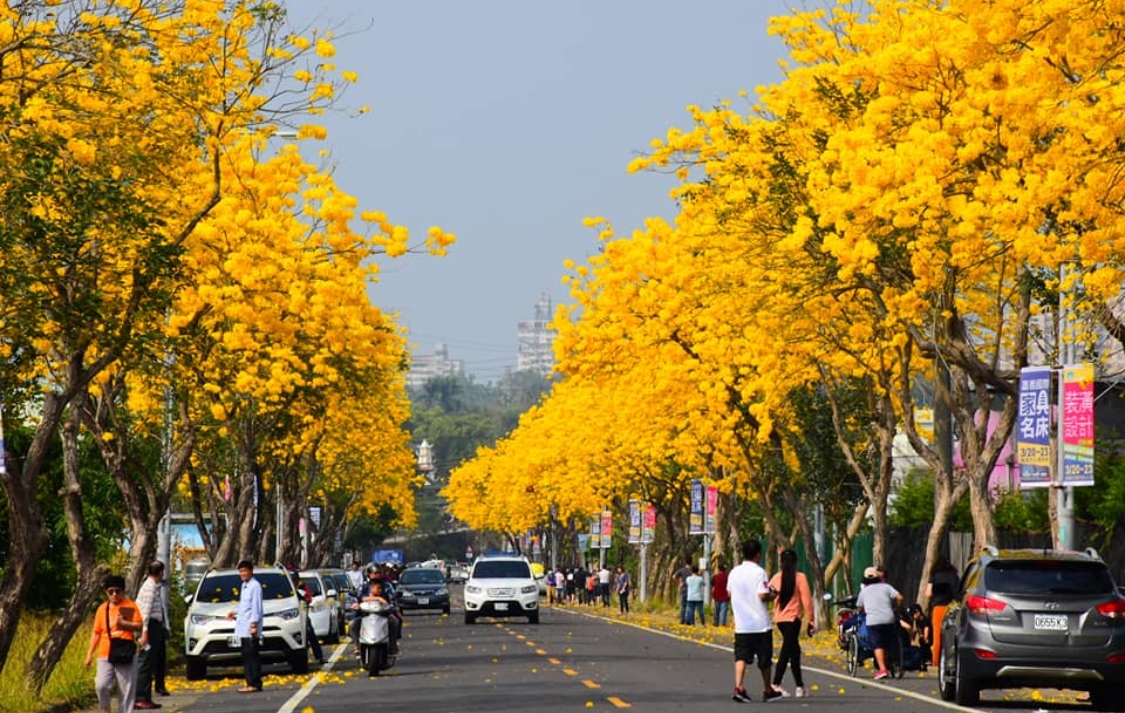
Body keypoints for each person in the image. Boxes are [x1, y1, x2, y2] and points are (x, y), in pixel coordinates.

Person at [728, 540, 782, 703]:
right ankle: (767, 689)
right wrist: (774, 594)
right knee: (764, 659)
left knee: (741, 656)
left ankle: (739, 686)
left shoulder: (734, 572)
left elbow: (729, 593)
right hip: (760, 624)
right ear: (758, 554)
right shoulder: (760, 572)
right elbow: (762, 595)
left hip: (742, 625)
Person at [86, 574, 143, 713]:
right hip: (106, 652)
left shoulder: (128, 606)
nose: (114, 594)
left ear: (123, 591)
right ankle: (106, 709)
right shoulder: (102, 609)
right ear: (106, 592)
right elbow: (96, 632)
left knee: (126, 691)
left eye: (118, 591)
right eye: (111, 591)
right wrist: (89, 654)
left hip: (125, 651)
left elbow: (139, 625)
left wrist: (124, 624)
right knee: (101, 685)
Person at [769, 549, 815, 698]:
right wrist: (811, 619)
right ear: (796, 562)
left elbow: (769, 594)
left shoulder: (776, 578)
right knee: (787, 650)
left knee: (794, 652)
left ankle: (800, 686)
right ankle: (775, 683)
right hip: (793, 619)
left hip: (781, 620)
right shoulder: (800, 577)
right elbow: (807, 600)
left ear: (781, 562)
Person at [855, 565, 903, 680]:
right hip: (888, 618)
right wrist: (897, 609)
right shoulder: (886, 587)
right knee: (891, 642)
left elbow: (859, 606)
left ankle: (882, 669)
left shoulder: (864, 591)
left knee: (878, 645)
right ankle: (896, 664)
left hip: (873, 621)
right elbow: (900, 597)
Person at [133, 561, 169, 709]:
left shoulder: (153, 586)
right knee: (146, 663)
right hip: (149, 627)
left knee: (152, 662)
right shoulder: (149, 588)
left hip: (154, 626)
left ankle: (146, 697)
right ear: (160, 573)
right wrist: (145, 632)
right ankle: (140, 697)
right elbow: (145, 612)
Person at [226, 560, 263, 693]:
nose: (243, 573)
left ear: (251, 571)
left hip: (250, 627)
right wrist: (234, 612)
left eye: (245, 571)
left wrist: (254, 624)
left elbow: (256, 607)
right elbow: (244, 605)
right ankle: (250, 682)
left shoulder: (255, 586)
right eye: (241, 571)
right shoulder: (244, 585)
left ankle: (254, 683)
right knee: (246, 656)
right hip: (243, 626)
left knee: (252, 655)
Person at [926, 557, 959, 667]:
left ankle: (936, 662)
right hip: (952, 607)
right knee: (951, 635)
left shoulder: (934, 576)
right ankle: (952, 660)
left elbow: (928, 593)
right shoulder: (954, 575)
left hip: (938, 607)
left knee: (937, 636)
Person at [293, 574, 324, 664]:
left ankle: (319, 656)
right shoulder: (286, 586)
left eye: (294, 579)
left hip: (302, 613)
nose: (293, 581)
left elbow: (309, 598)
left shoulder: (302, 586)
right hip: (288, 615)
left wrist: (303, 599)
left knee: (310, 632)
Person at [673, 558, 693, 624]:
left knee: (683, 605)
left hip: (684, 589)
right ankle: (688, 620)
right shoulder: (693, 571)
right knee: (690, 606)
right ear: (691, 563)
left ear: (685, 563)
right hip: (691, 589)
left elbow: (674, 576)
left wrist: (679, 583)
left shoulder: (682, 570)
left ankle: (682, 619)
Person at [712, 562, 731, 626]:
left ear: (718, 570)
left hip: (717, 595)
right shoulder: (728, 577)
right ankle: (722, 624)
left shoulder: (715, 577)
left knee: (717, 610)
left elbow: (712, 585)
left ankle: (716, 622)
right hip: (725, 596)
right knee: (723, 611)